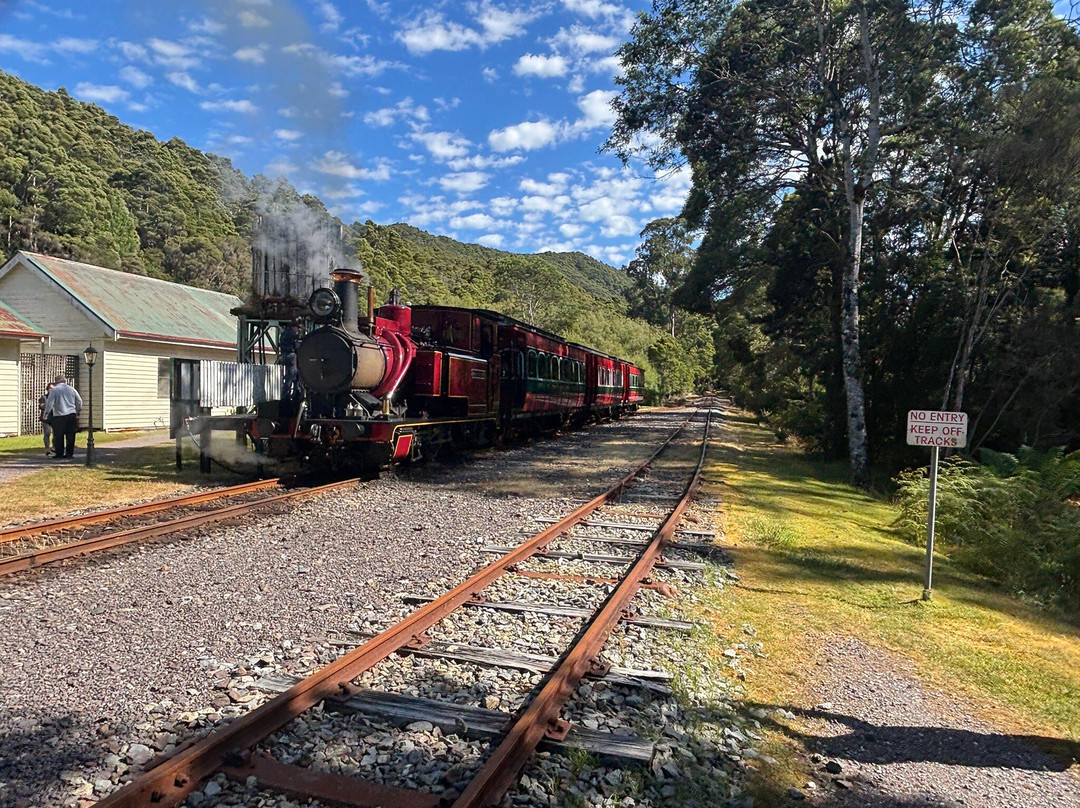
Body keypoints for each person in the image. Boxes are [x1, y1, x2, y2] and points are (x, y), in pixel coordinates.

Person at [43, 375, 83, 459]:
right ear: (65, 381)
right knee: (70, 435)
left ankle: (59, 453)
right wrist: (78, 410)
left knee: (58, 435)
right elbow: (79, 401)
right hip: (71, 414)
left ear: (56, 381)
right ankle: (69, 454)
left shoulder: (55, 390)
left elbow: (50, 403)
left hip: (59, 415)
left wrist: (46, 413)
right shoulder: (71, 389)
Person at [38, 382, 56, 456]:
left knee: (56, 433)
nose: (51, 390)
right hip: (46, 418)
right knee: (47, 433)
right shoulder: (44, 397)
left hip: (54, 417)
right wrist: (47, 404)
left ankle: (54, 447)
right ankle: (47, 448)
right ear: (47, 389)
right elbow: (41, 406)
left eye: (53, 389)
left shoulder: (56, 397)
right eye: (50, 388)